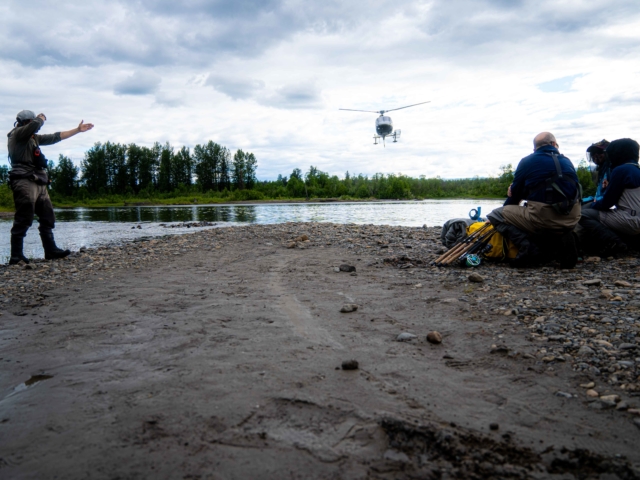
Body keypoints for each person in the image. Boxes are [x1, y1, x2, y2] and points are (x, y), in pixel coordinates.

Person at [7, 110, 94, 265]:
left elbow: (55, 137)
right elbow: (34, 126)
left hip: (38, 179)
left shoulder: (33, 138)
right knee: (24, 218)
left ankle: (51, 250)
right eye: (29, 122)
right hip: (23, 179)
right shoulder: (18, 134)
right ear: (21, 122)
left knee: (48, 216)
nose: (31, 125)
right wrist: (40, 119)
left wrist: (77, 130)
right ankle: (16, 256)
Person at [486, 132, 581, 268]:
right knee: (547, 218)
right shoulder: (567, 161)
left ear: (535, 148)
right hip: (572, 217)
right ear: (554, 144)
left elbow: (515, 196)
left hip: (544, 218)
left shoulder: (527, 161)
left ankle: (528, 248)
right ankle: (564, 240)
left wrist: (506, 206)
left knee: (496, 214)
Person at [579, 138, 640, 256]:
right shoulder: (635, 169)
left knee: (582, 214)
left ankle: (614, 242)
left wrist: (593, 204)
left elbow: (607, 202)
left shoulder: (621, 170)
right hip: (635, 216)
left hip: (632, 219)